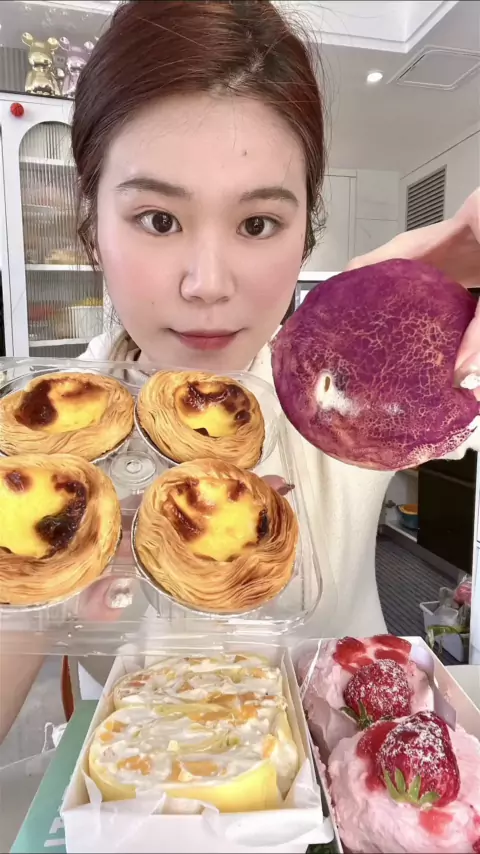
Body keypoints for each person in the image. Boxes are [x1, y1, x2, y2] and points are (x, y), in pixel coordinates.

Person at [1, 0, 480, 740]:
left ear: (305, 231)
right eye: (159, 219)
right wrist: (34, 585)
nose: (208, 284)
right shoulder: (43, 436)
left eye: (258, 224)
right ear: (91, 225)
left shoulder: (348, 393)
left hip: (345, 771)